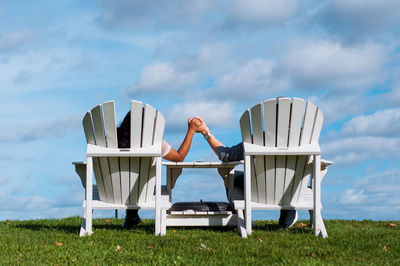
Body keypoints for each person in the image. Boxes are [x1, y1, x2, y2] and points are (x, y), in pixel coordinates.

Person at [192, 116, 298, 228]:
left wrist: (206, 133)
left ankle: (244, 218)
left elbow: (226, 155)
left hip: (263, 190)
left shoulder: (259, 138)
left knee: (234, 177)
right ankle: (287, 219)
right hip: (295, 188)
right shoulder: (306, 139)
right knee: (288, 181)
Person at [117, 111, 201, 228]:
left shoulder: (108, 140)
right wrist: (191, 131)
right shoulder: (154, 143)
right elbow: (179, 157)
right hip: (142, 193)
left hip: (113, 191)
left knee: (129, 180)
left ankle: (131, 216)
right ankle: (132, 215)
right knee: (139, 182)